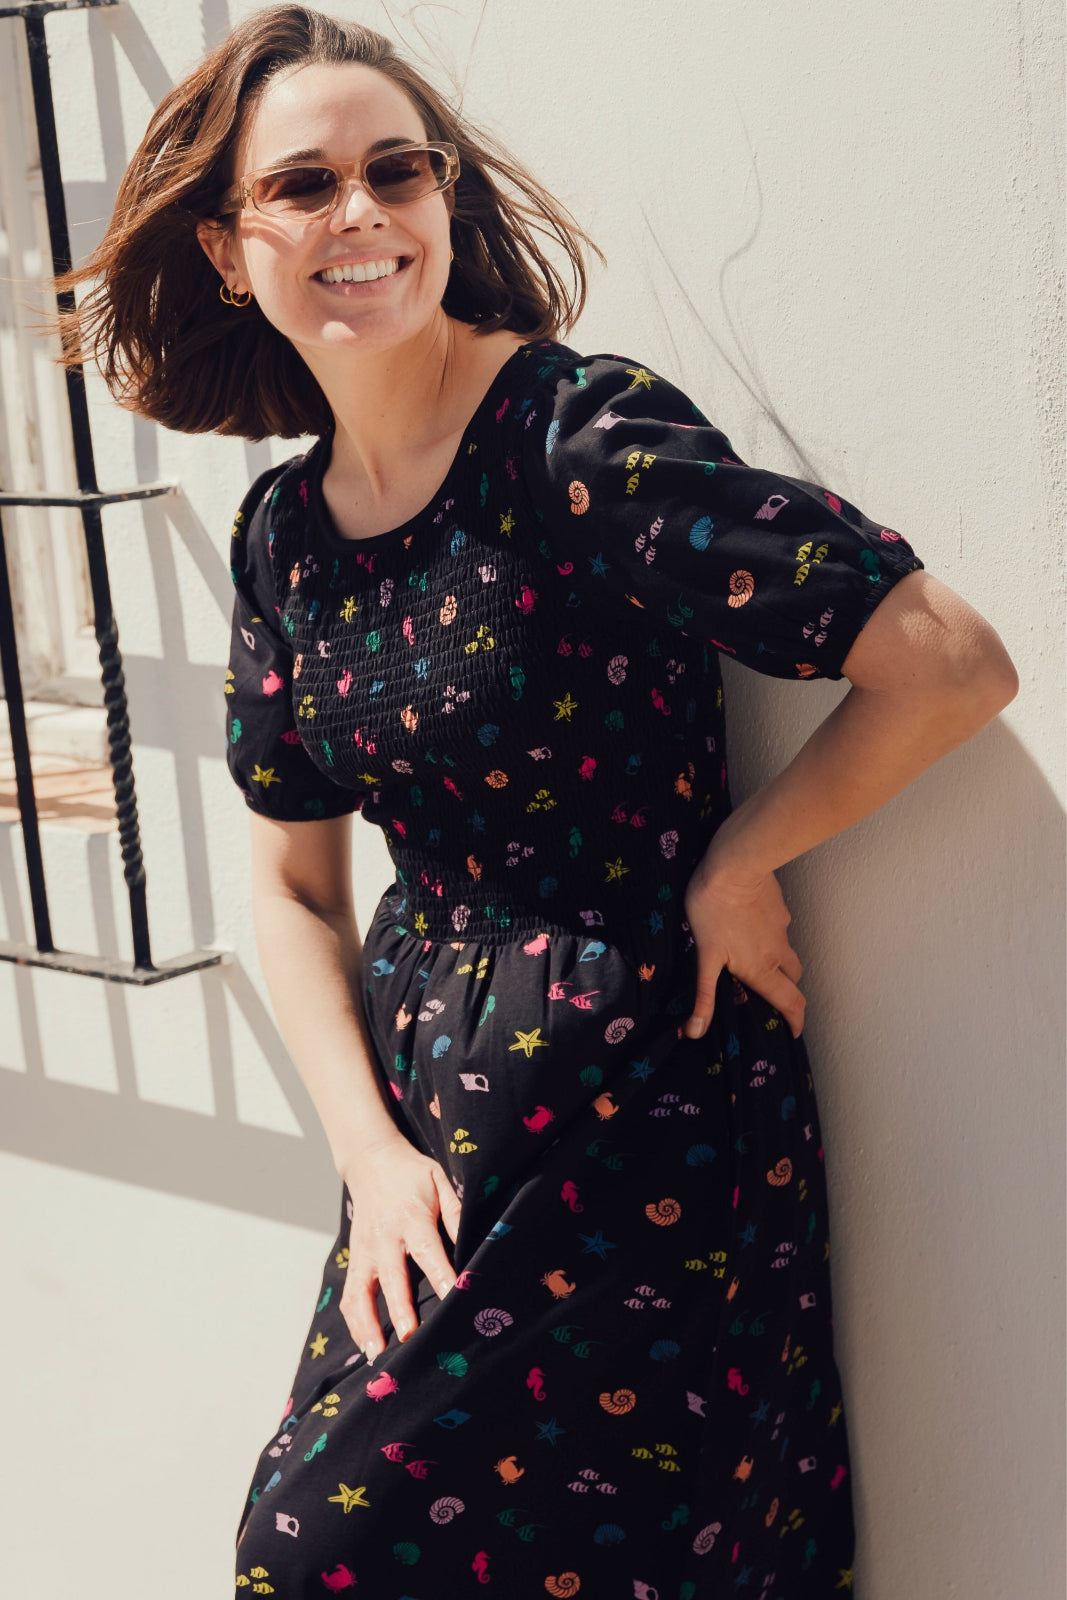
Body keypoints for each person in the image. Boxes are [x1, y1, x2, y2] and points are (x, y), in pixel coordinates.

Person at [60, 5, 1018, 1595]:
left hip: (641, 1100)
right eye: (304, 186)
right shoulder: (287, 535)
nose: (360, 212)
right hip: (428, 1118)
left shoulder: (577, 441)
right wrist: (367, 1154)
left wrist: (739, 856)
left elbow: (947, 662)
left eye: (397, 171)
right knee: (315, 1548)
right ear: (231, 252)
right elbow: (292, 892)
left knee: (457, 1556)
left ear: (443, 206)